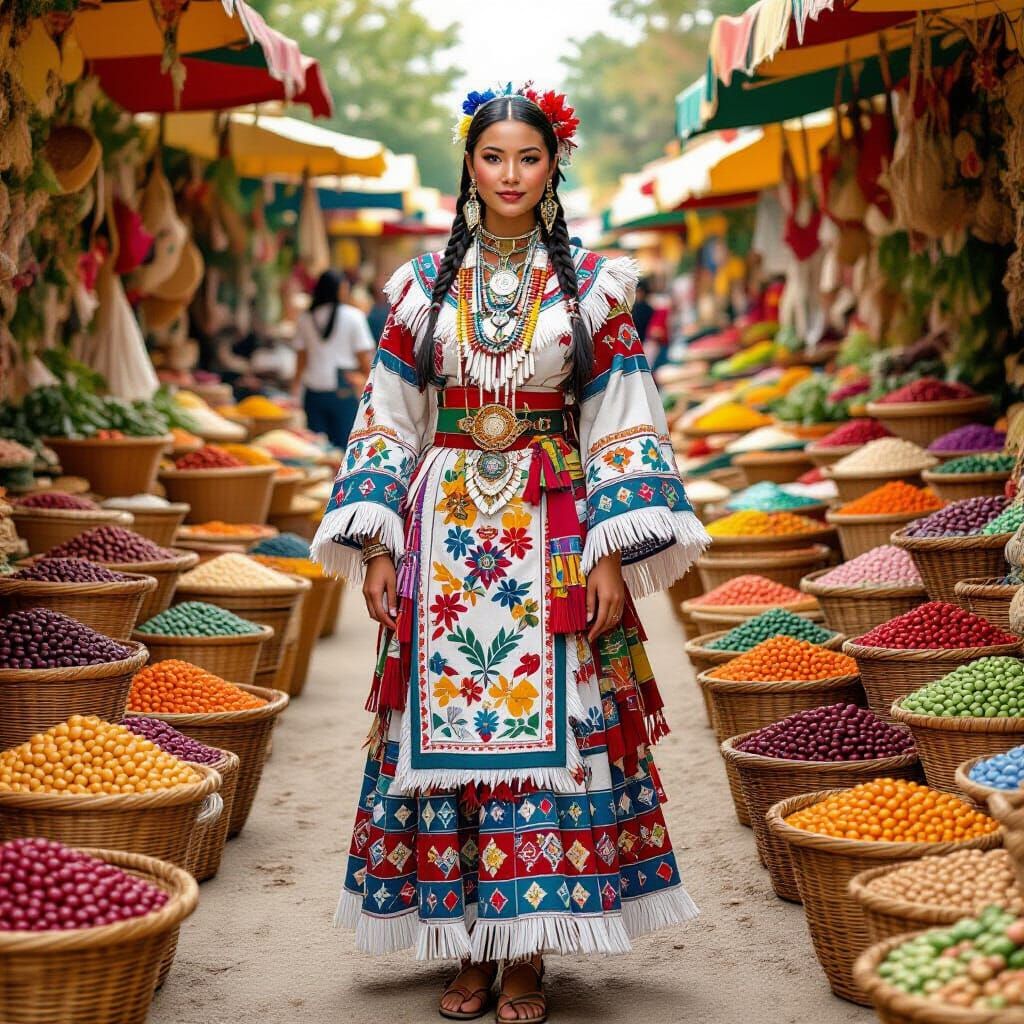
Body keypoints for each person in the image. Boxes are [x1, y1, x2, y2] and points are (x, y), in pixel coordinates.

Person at [311, 85, 709, 1023]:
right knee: (443, 736)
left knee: (555, 731)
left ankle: (527, 948)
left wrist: (610, 550)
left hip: (551, 518)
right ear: (470, 165)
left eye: (528, 158)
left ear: (553, 164)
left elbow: (620, 416)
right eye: (494, 158)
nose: (511, 175)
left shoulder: (596, 286)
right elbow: (390, 412)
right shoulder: (421, 287)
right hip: (444, 529)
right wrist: (376, 541)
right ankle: (462, 940)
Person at [292, 270, 375, 449]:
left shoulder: (305, 319)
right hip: (343, 392)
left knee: (317, 449)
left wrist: (295, 390)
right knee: (346, 448)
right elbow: (364, 359)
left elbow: (301, 360)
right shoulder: (354, 316)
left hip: (313, 393)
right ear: (340, 290)